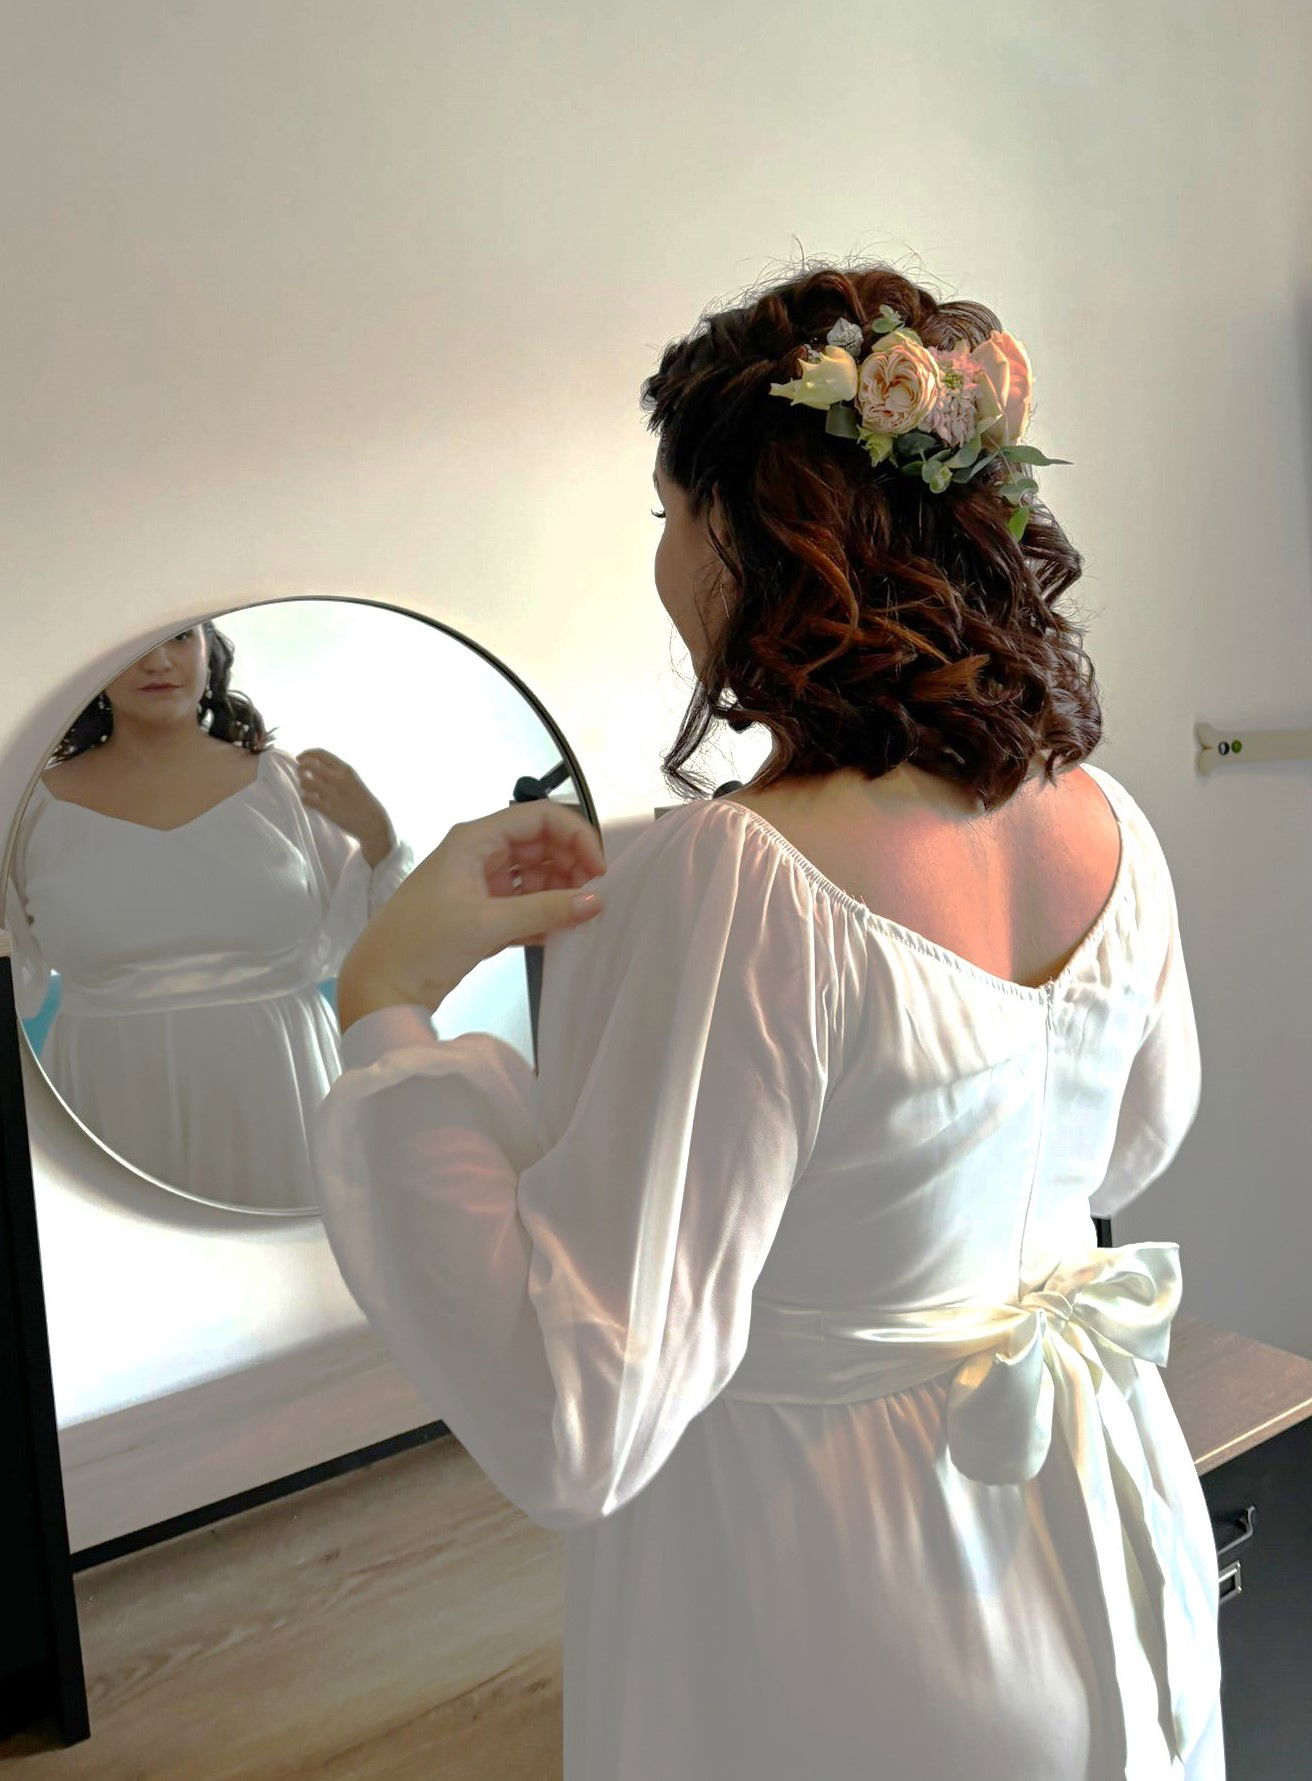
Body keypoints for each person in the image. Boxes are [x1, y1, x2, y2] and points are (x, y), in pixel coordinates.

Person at [307, 261, 1223, 1778]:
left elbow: (578, 1408)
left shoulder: (745, 878)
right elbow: (1131, 1143)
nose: (664, 559)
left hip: (842, 1603)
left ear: (749, 533)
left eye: (669, 515)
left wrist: (387, 1004)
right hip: (1104, 1532)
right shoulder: (1106, 822)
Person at [5, 619, 413, 1211]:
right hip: (112, 1083)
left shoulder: (284, 784)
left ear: (209, 650)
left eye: (180, 638)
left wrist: (380, 842)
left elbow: (379, 953)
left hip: (281, 1076)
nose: (159, 663)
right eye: (135, 647)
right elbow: (16, 979)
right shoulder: (28, 809)